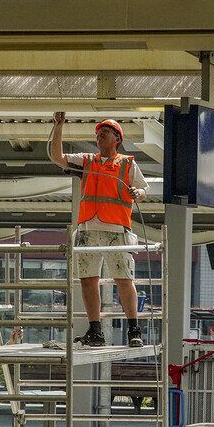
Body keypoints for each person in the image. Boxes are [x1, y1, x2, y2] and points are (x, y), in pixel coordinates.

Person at [49, 111, 149, 348]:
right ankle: (95, 331)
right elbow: (57, 157)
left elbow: (143, 188)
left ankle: (134, 330)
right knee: (87, 280)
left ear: (117, 139)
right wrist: (59, 127)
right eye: (98, 134)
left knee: (124, 279)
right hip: (87, 228)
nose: (99, 137)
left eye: (104, 133)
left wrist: (139, 194)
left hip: (117, 229)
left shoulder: (127, 163)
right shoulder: (87, 160)